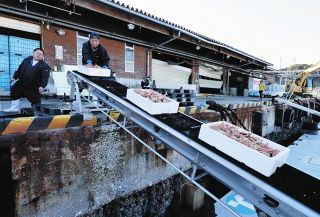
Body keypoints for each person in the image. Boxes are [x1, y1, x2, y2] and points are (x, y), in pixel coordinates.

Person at [4, 48, 51, 114]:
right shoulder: (26, 60)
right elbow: (19, 69)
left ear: (42, 56)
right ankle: (14, 108)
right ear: (33, 53)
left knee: (35, 100)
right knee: (14, 90)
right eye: (37, 53)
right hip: (22, 83)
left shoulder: (45, 66)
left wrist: (42, 86)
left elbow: (45, 78)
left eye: (41, 54)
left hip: (33, 86)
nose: (39, 55)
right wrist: (14, 77)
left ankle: (36, 111)